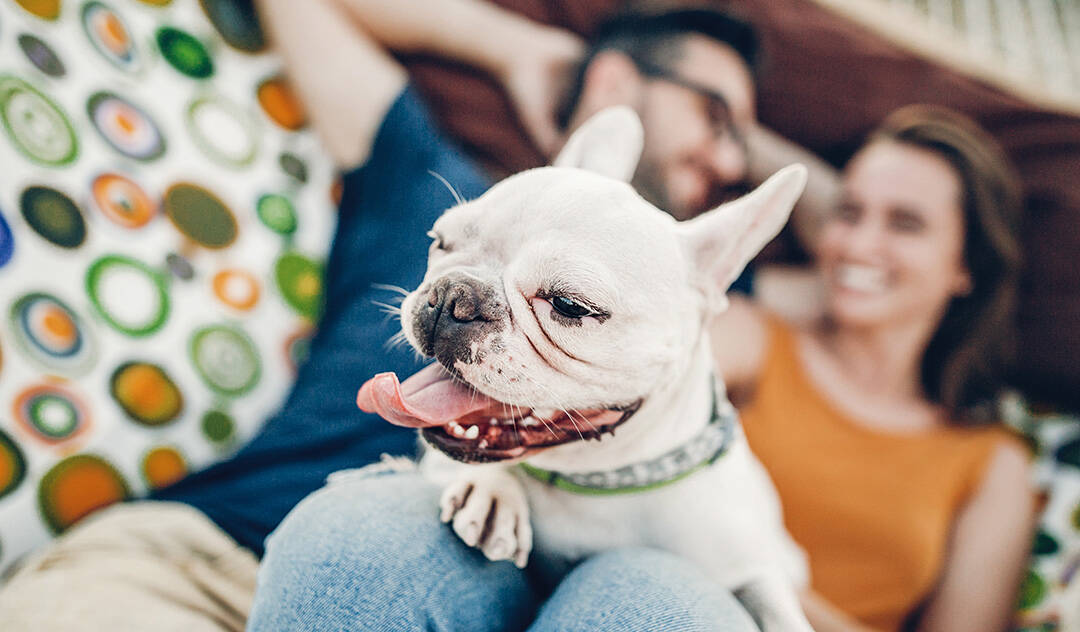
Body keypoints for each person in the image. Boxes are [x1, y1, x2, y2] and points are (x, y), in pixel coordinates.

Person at [0, 1, 825, 629]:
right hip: (209, 561)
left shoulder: (697, 296)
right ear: (615, 82)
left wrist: (765, 157)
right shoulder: (428, 167)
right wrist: (521, 48)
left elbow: (885, 262)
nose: (727, 159)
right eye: (716, 118)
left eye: (570, 307)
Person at [712, 106, 1036, 631]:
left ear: (966, 266)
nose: (859, 245)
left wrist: (757, 587)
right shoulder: (752, 340)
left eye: (904, 223)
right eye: (848, 212)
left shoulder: (989, 464)